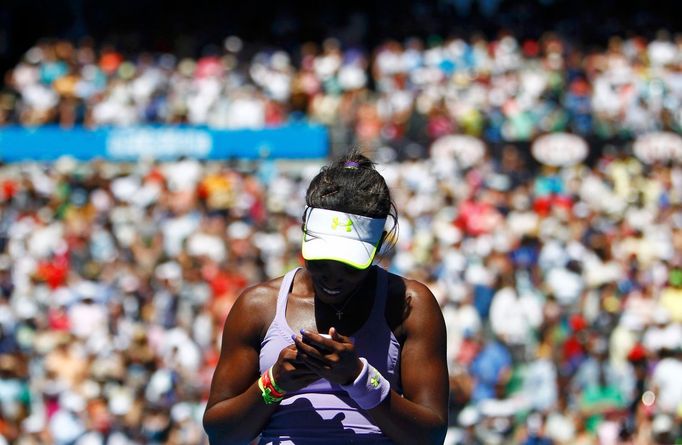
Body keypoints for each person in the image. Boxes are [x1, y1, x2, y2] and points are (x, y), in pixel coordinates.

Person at [203, 150, 449, 444]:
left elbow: (430, 437)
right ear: (304, 232)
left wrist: (358, 378)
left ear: (379, 245)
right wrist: (274, 382)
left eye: (348, 264)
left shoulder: (411, 304)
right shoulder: (258, 306)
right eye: (320, 260)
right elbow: (221, 435)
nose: (332, 276)